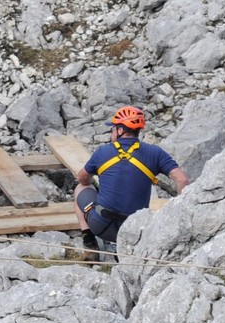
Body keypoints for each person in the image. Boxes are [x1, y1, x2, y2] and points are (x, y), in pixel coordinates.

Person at [74, 105, 189, 260]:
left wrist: (95, 183)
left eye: (113, 129)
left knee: (80, 188)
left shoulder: (103, 151)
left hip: (101, 225)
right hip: (135, 230)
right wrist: (180, 213)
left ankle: (89, 243)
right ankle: (123, 249)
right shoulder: (155, 153)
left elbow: (82, 178)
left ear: (120, 131)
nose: (111, 132)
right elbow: (182, 179)